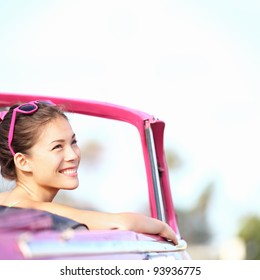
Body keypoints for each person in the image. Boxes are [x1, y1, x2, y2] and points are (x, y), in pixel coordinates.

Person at [0, 100, 178, 244]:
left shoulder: (9, 202)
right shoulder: (35, 210)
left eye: (73, 142)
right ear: (23, 162)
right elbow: (119, 224)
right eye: (57, 147)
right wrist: (163, 228)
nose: (73, 155)